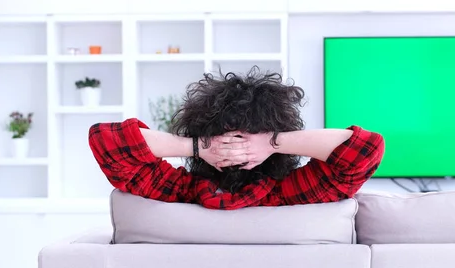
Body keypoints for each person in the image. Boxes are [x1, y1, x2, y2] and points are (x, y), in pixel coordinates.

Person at [88, 67, 385, 210]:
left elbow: (109, 142)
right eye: (225, 137)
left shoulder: (178, 192)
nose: (237, 146)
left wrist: (196, 147)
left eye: (249, 136)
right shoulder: (290, 194)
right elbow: (364, 150)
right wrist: (202, 147)